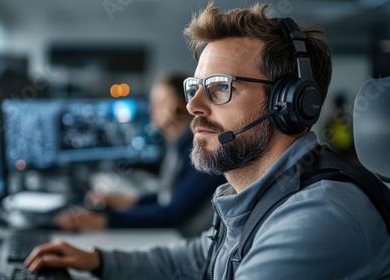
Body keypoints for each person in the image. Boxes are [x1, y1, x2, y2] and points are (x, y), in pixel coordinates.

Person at [24, 2, 390, 279]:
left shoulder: (318, 217)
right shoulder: (253, 193)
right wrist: (99, 261)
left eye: (219, 88)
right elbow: (197, 258)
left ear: (290, 103)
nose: (193, 106)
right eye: (194, 88)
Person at [55, 73, 226, 237]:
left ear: (183, 105)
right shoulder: (177, 146)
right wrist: (126, 202)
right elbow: (168, 198)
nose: (152, 109)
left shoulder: (198, 150)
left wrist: (102, 221)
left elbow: (173, 212)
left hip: (187, 243)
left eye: (160, 103)